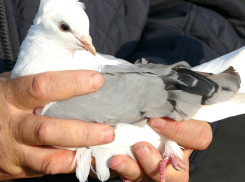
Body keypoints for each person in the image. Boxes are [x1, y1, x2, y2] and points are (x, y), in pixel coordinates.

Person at [0, 0, 244, 181]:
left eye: (86, 36)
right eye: (65, 28)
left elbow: (197, 9)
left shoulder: (78, 83)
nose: (88, 44)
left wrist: (178, 133)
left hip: (158, 94)